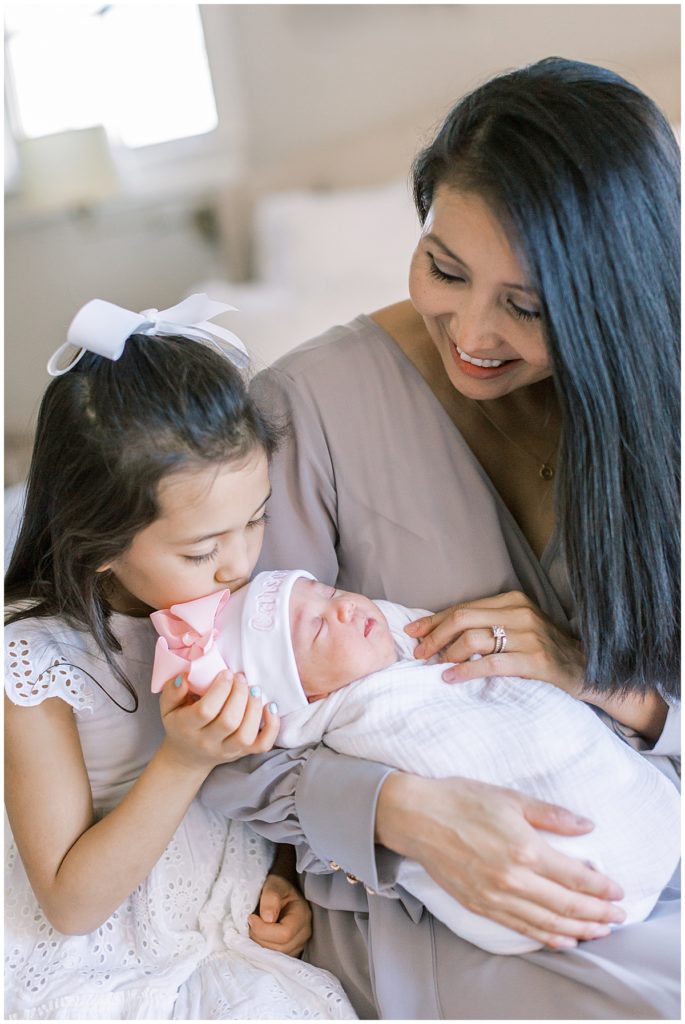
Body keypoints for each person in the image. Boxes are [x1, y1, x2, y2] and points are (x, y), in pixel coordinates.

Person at [199, 57, 681, 1019]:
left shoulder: (656, 415)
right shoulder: (308, 409)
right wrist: (406, 814)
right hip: (422, 890)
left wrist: (594, 677)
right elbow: (216, 719)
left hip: (646, 833)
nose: (470, 330)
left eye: (528, 307)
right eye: (443, 268)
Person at [4, 296, 356, 1020]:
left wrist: (281, 874)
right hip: (104, 942)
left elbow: (281, 762)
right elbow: (69, 904)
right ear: (100, 546)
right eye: (201, 550)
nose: (239, 563)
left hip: (227, 907)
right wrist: (184, 759)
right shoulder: (37, 665)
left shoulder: (251, 608)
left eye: (256, 519)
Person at [150, 569, 679, 957]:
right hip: (518, 891)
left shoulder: (403, 640)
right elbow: (249, 768)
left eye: (330, 592)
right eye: (315, 630)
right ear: (303, 699)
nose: (344, 608)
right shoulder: (348, 719)